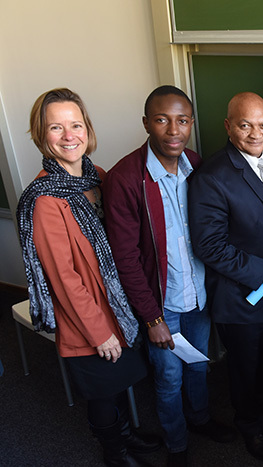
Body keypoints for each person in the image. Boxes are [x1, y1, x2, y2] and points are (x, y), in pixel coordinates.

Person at [16, 88, 159, 466]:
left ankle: (127, 436)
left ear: (87, 128)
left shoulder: (96, 176)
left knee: (119, 382)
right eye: (56, 128)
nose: (69, 136)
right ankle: (114, 453)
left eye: (75, 124)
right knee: (102, 394)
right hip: (86, 318)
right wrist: (99, 332)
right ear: (41, 134)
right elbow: (64, 280)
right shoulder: (46, 200)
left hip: (117, 305)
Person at [103, 85, 234, 467]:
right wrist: (152, 318)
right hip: (163, 306)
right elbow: (125, 258)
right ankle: (176, 444)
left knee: (198, 366)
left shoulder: (197, 163)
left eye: (182, 120)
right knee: (168, 380)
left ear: (191, 123)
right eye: (162, 120)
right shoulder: (125, 179)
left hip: (199, 296)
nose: (173, 130)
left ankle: (199, 419)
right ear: (146, 123)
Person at [189, 92, 263, 461]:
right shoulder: (212, 175)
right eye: (245, 125)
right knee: (243, 368)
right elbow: (209, 245)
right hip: (240, 297)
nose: (256, 134)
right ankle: (249, 424)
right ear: (228, 126)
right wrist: (260, 271)